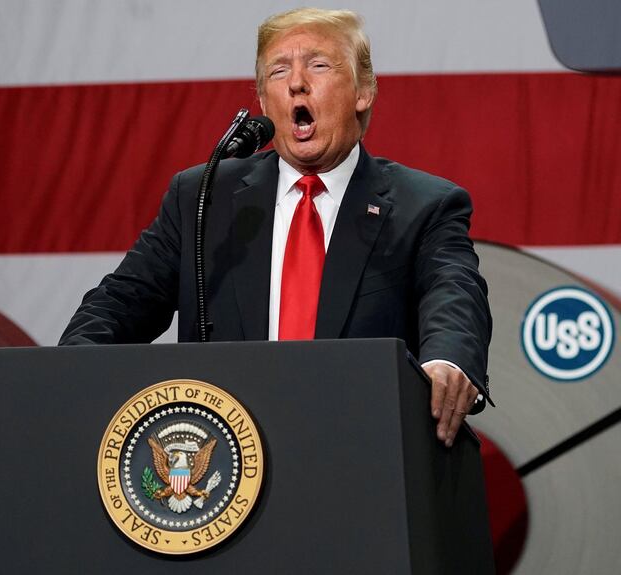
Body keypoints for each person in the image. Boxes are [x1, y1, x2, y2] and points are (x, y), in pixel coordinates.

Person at [60, 8, 492, 446]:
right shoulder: (203, 197)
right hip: (226, 468)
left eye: (319, 65)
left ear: (364, 91)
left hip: (362, 451)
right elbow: (122, 302)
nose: (296, 82)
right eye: (278, 70)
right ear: (265, 102)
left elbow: (454, 293)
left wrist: (449, 361)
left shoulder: (424, 206)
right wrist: (64, 374)